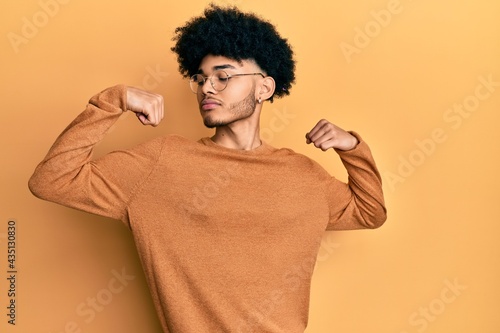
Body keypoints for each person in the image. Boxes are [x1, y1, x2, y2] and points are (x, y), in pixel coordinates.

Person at [29, 4, 387, 333]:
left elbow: (371, 212)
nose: (206, 88)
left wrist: (352, 148)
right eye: (200, 79)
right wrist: (114, 100)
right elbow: (52, 180)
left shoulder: (303, 176)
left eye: (223, 76)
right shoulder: (160, 163)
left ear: (264, 87)